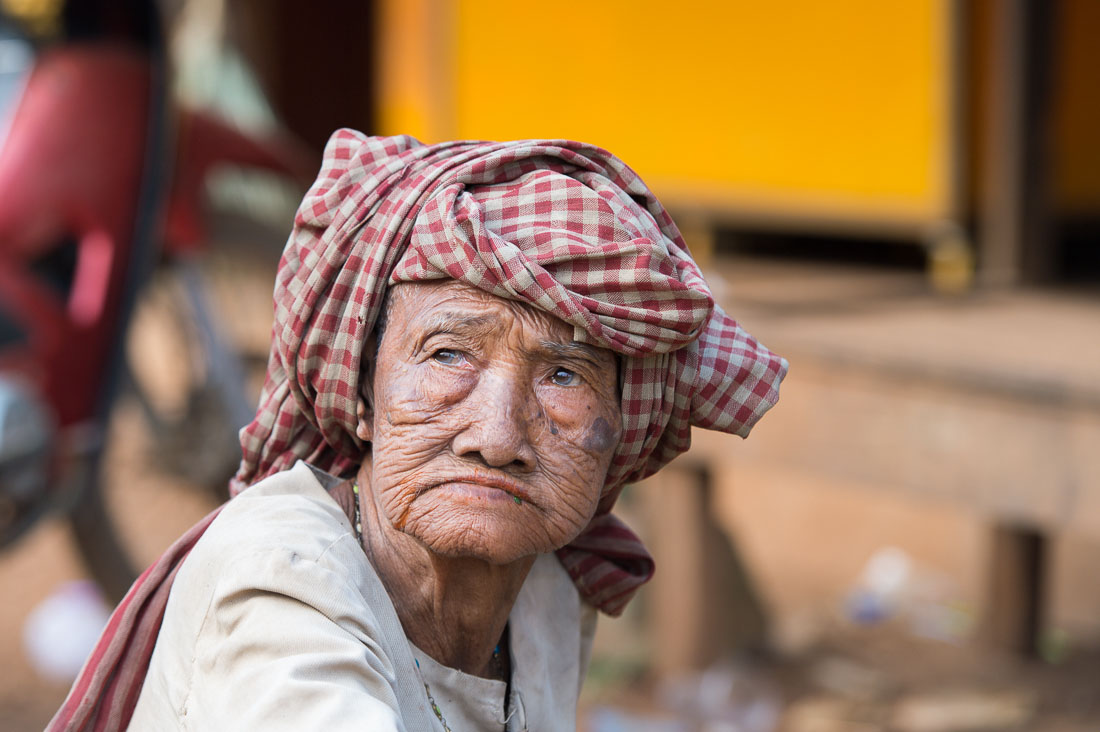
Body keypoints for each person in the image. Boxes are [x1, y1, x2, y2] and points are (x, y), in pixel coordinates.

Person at [50, 131, 787, 731]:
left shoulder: (548, 594)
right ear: (361, 393)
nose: (496, 438)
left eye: (565, 375)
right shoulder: (283, 580)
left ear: (624, 428)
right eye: (446, 355)